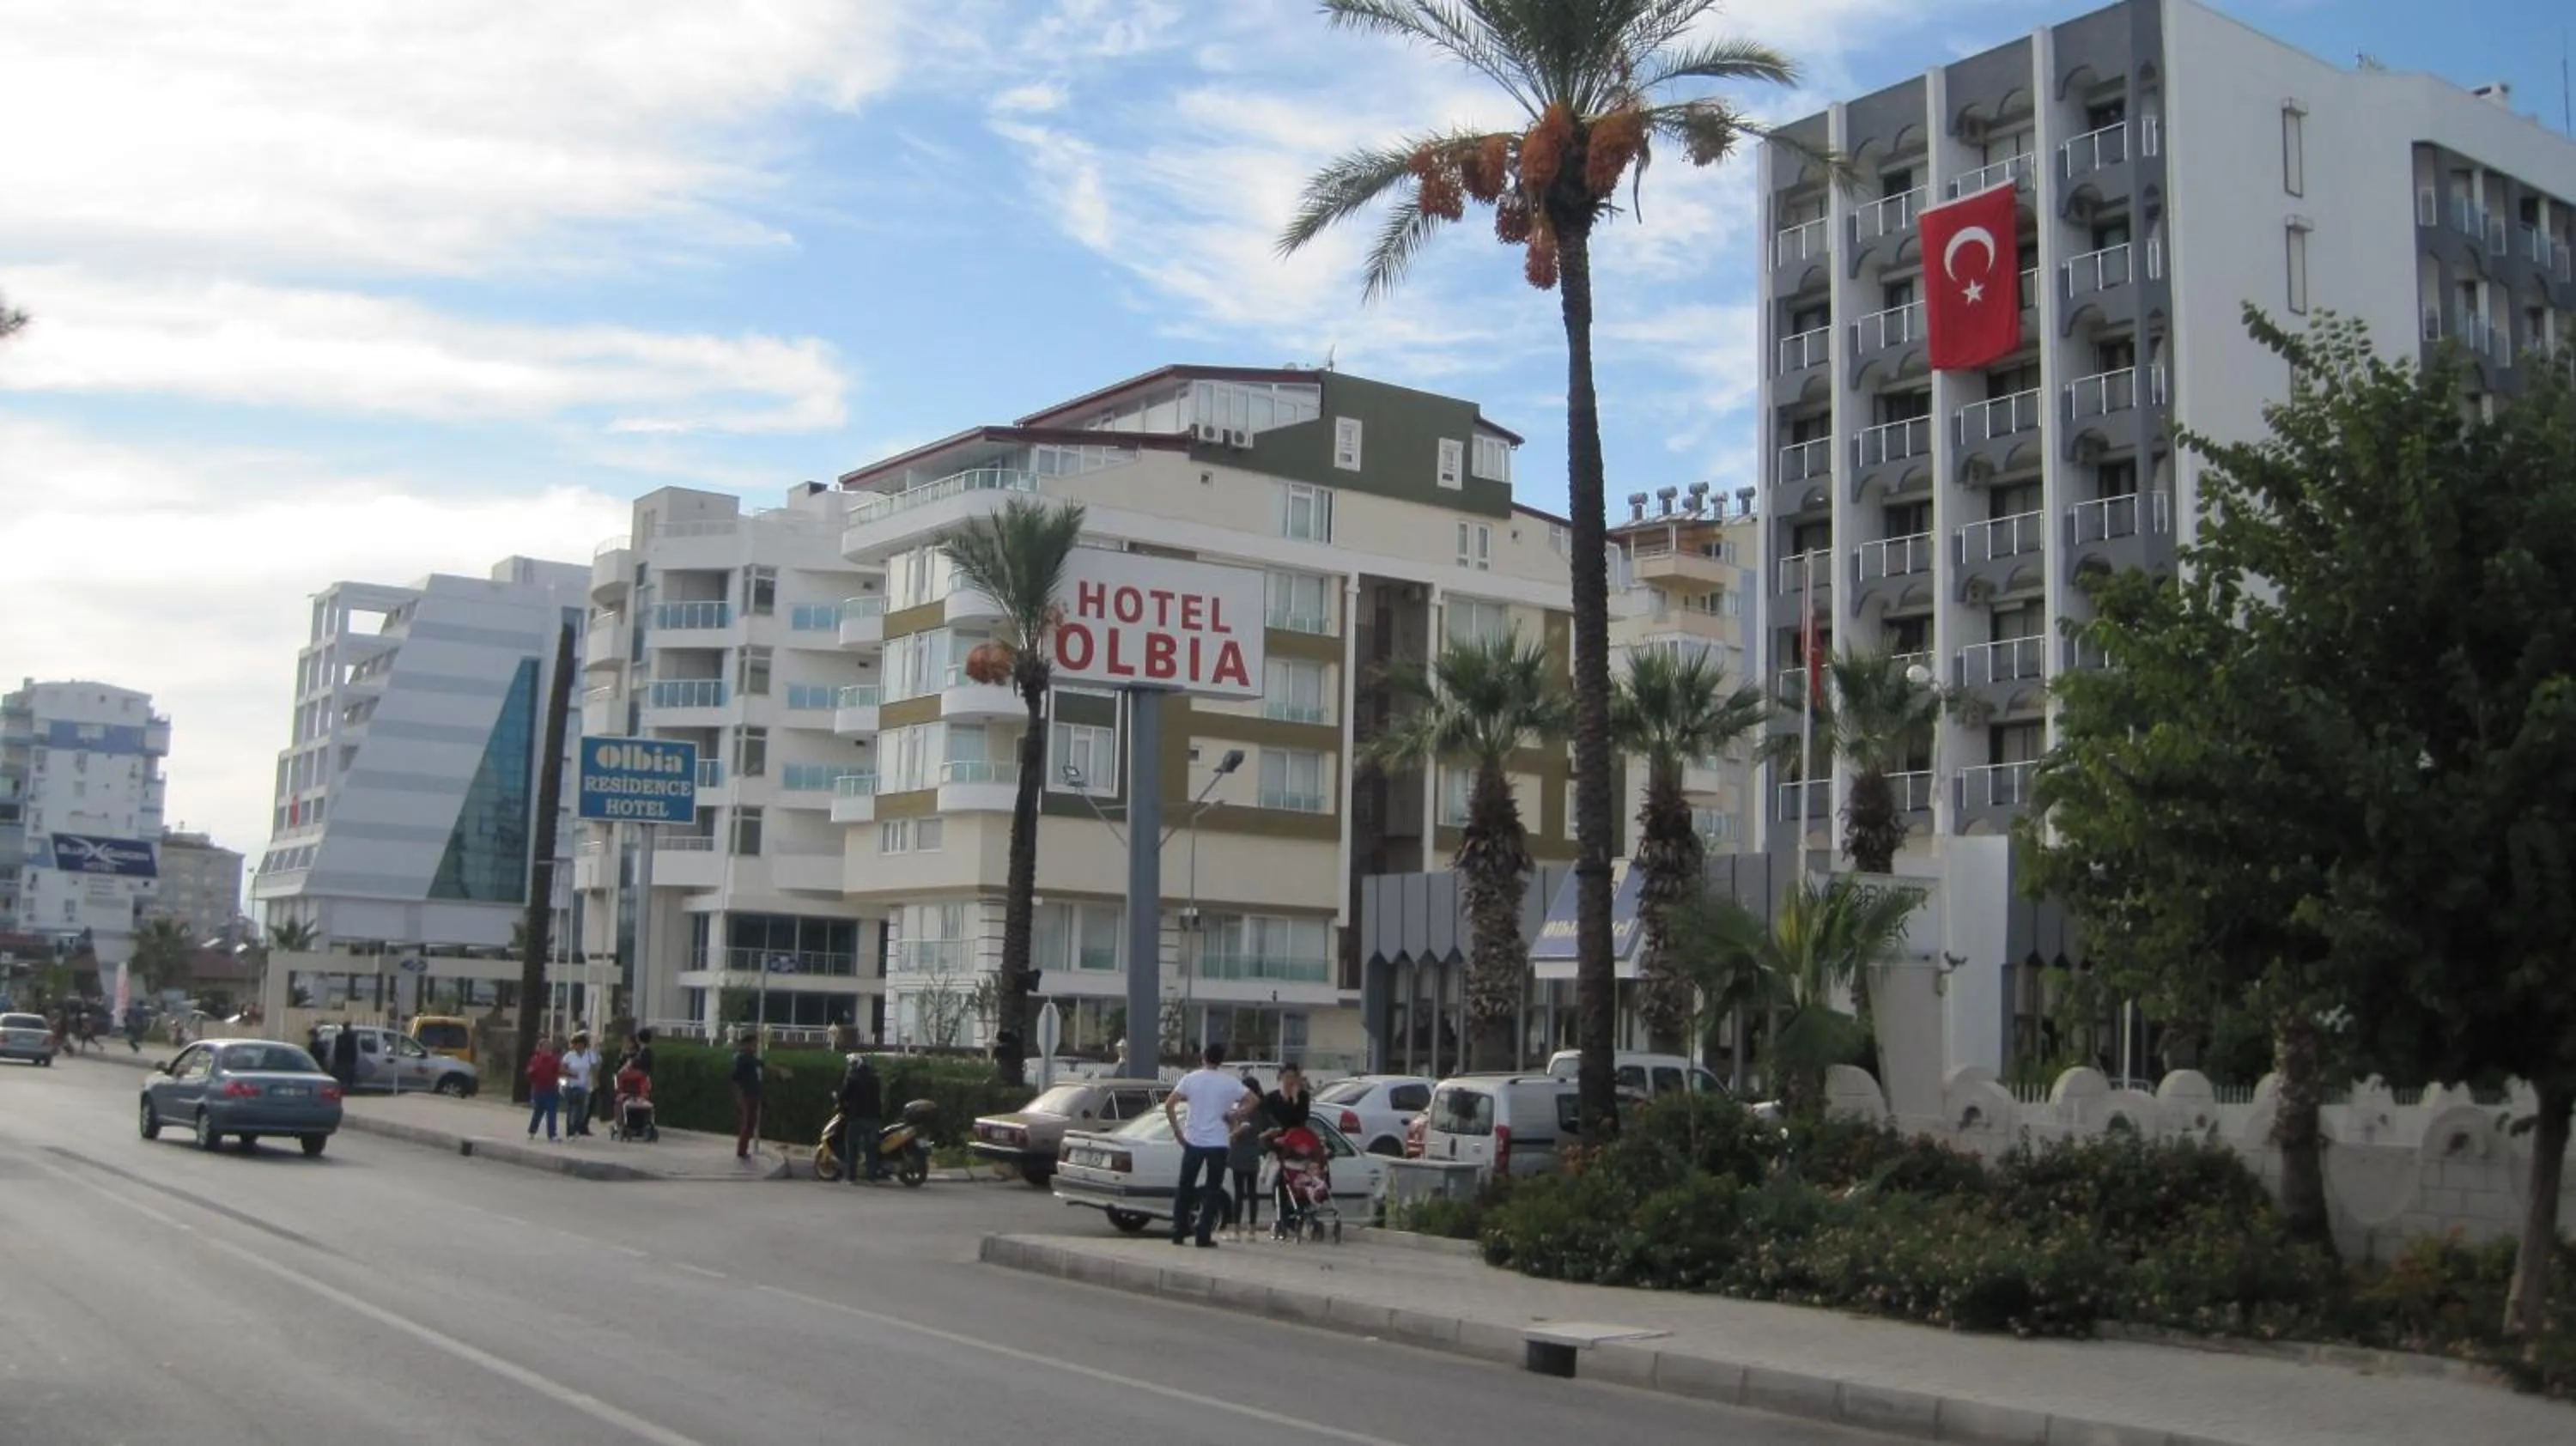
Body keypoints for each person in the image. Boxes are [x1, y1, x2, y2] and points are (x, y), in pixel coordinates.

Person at [1162, 1043, 1255, 1249]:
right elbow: (1253, 1100)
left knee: (1186, 1186)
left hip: (1193, 1140)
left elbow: (1169, 1104)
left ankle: (1178, 1230)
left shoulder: (1191, 1079)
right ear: (1222, 1059)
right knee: (1212, 1189)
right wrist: (1235, 1114)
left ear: (1203, 1057)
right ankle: (1203, 1234)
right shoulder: (1230, 1083)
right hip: (1218, 1142)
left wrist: (1178, 1132)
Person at [1224, 1070, 1265, 1241]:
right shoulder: (1251, 1108)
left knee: (1241, 1193)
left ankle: (1238, 1230)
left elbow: (1244, 1127)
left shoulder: (1251, 1109)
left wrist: (1233, 1132)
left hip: (1242, 1152)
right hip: (1248, 1153)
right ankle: (1250, 1230)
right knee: (1249, 1192)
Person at [835, 1053, 885, 1184]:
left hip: (856, 1118)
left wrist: (841, 1103)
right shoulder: (875, 1079)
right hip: (874, 1118)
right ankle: (871, 1178)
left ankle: (850, 1177)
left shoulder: (853, 1079)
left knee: (852, 1147)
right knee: (871, 1149)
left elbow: (843, 1096)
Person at [729, 1031, 763, 1160]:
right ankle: (741, 1150)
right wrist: (738, 1095)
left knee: (751, 1122)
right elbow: (734, 1078)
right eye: (754, 1044)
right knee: (748, 1122)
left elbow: (760, 1063)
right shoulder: (743, 1058)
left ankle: (743, 1149)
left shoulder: (747, 1057)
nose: (756, 1047)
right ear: (748, 1044)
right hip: (747, 1095)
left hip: (752, 1094)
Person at [558, 1031, 599, 1138]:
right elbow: (562, 1069)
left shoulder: (589, 1055)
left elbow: (594, 1069)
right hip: (571, 1085)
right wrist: (570, 1074)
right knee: (573, 1108)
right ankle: (570, 1130)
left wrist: (595, 1082)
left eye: (581, 1043)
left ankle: (577, 1127)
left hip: (584, 1085)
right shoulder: (569, 1056)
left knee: (582, 1109)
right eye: (577, 1044)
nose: (579, 1046)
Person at [526, 1035, 562, 1141]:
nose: (547, 1049)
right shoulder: (535, 1059)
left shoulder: (554, 1059)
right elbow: (530, 1073)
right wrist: (531, 1072)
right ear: (540, 1048)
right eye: (544, 1047)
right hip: (539, 1089)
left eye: (549, 1047)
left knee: (552, 1112)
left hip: (551, 1089)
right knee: (538, 1112)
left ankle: (552, 1134)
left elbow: (559, 1070)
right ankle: (532, 1131)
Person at [330, 1021, 360, 1091]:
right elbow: (354, 1050)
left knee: (342, 1078)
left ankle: (343, 1088)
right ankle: (349, 1089)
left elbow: (337, 1051)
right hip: (349, 1061)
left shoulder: (339, 1037)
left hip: (341, 1061)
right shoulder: (352, 1037)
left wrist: (337, 1061)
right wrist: (354, 1060)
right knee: (349, 1078)